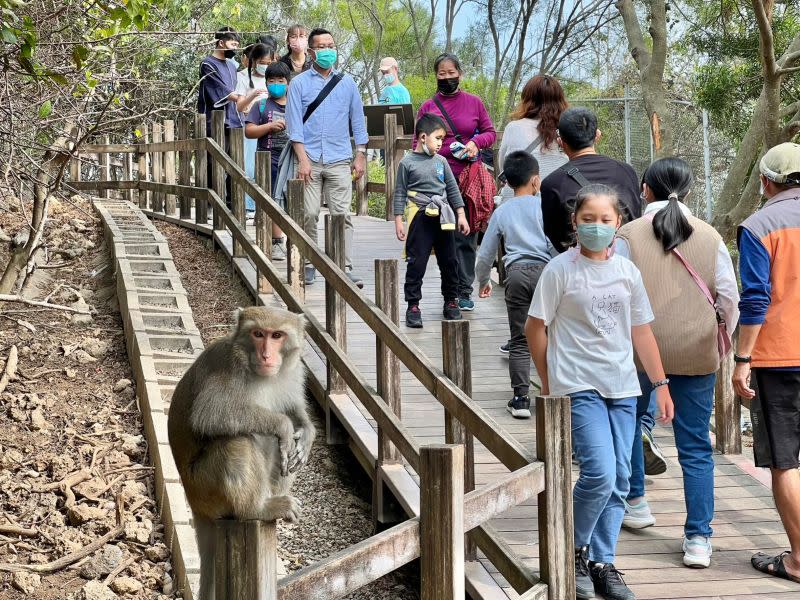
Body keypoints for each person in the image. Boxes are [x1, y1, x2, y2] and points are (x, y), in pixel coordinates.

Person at [526, 184, 674, 600]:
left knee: (623, 479)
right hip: (578, 384)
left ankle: (601, 561)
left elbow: (641, 331)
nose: (595, 226)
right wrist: (548, 381)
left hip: (623, 386)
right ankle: (572, 549)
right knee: (600, 472)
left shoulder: (628, 272)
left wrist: (660, 384)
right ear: (574, 222)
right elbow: (535, 327)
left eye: (604, 220)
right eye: (587, 219)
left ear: (618, 224)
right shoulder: (560, 270)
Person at [615, 157, 739, 568]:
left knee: (631, 425)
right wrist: (719, 341)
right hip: (696, 350)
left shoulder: (627, 235)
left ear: (645, 188)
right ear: (687, 190)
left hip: (638, 351)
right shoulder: (709, 236)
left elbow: (614, 294)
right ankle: (699, 538)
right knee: (696, 447)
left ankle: (636, 503)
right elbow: (728, 298)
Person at [733, 142, 800, 584]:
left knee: (785, 460)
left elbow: (755, 299)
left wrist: (742, 358)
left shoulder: (759, 225)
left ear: (766, 182)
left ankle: (797, 559)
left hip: (779, 356)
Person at [285, 28, 368, 288]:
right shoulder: (298, 83)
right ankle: (309, 263)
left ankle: (343, 267)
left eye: (330, 45)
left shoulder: (348, 83)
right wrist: (303, 159)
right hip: (309, 158)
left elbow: (358, 120)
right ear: (311, 52)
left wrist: (361, 154)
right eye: (321, 46)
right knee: (308, 213)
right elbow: (294, 124)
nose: (327, 50)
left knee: (341, 215)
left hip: (340, 158)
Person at [475, 151, 552, 419]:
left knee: (519, 340)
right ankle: (551, 390)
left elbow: (485, 253)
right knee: (549, 334)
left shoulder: (503, 211)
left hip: (516, 274)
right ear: (536, 181)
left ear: (506, 182)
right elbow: (554, 245)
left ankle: (520, 400)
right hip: (546, 273)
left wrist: (484, 281)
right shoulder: (544, 207)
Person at [417, 53, 496, 312]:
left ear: (460, 74)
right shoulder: (428, 107)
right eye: (442, 74)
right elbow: (417, 142)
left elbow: (490, 133)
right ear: (436, 76)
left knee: (466, 235)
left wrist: (475, 144)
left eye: (452, 73)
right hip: (438, 178)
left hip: (468, 177)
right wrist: (443, 150)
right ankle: (450, 290)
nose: (447, 78)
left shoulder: (474, 103)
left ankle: (464, 289)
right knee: (443, 236)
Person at [393, 113, 470, 327]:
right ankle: (413, 304)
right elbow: (399, 192)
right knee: (417, 261)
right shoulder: (407, 163)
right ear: (423, 137)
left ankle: (451, 300)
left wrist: (461, 215)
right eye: (438, 139)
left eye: (442, 140)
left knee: (450, 260)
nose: (440, 144)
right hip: (420, 215)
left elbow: (453, 190)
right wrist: (398, 220)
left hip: (444, 217)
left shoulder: (442, 162)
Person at [540, 107, 641, 253]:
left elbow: (554, 234)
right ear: (597, 135)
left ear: (561, 142)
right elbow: (635, 220)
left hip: (575, 264)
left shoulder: (552, 183)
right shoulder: (627, 172)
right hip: (623, 257)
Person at [245, 61, 292, 261]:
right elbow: (249, 131)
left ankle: (296, 243)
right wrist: (269, 127)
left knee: (293, 199)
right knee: (272, 199)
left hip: (291, 159)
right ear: (266, 83)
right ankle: (276, 242)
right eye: (271, 80)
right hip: (268, 158)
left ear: (287, 82)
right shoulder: (261, 105)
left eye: (280, 80)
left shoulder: (295, 104)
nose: (276, 84)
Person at [497, 75, 568, 200]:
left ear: (527, 100)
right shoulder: (566, 130)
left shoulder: (514, 128)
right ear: (560, 101)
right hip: (555, 203)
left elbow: (504, 166)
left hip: (516, 202)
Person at [197, 26, 244, 206]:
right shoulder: (207, 64)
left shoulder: (232, 67)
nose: (235, 47)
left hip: (234, 119)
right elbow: (220, 91)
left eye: (237, 45)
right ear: (221, 42)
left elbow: (235, 92)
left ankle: (233, 204)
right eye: (233, 43)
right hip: (214, 119)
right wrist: (241, 98)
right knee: (213, 162)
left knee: (235, 162)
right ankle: (211, 204)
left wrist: (244, 103)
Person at [235, 43, 273, 217]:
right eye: (262, 61)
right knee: (249, 167)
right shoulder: (243, 77)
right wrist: (254, 95)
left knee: (269, 164)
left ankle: (268, 204)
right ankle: (249, 207)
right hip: (251, 125)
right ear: (254, 61)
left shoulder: (274, 78)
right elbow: (240, 106)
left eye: (268, 61)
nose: (265, 65)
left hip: (271, 127)